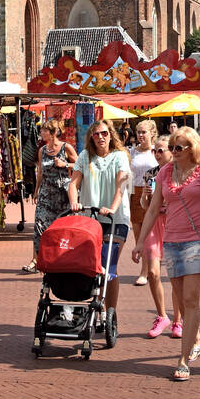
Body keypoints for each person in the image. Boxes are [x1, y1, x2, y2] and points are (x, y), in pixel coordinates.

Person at [133, 126, 200, 381]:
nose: (173, 152)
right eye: (171, 147)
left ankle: (183, 360)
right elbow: (152, 210)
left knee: (191, 299)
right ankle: (196, 338)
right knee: (182, 300)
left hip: (197, 239)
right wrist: (140, 242)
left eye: (178, 148)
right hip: (171, 241)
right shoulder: (165, 172)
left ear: (192, 148)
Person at [68, 119, 131, 320]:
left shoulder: (120, 156)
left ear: (111, 134)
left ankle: (109, 313)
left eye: (104, 133)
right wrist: (73, 202)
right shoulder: (85, 157)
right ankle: (98, 308)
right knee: (92, 265)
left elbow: (121, 186)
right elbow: (73, 184)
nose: (101, 137)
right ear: (91, 137)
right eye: (96, 134)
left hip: (116, 219)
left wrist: (112, 208)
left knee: (108, 266)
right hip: (91, 219)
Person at [137, 136, 183, 339]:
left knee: (175, 275)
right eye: (154, 151)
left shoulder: (179, 172)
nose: (157, 154)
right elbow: (145, 205)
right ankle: (162, 315)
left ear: (171, 151)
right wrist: (146, 196)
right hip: (155, 224)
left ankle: (178, 320)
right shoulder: (150, 174)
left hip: (173, 223)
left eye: (161, 150)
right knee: (154, 273)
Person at [22, 118, 77, 273]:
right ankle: (36, 261)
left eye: (44, 130)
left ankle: (63, 260)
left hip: (63, 194)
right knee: (39, 226)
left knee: (63, 228)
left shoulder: (66, 148)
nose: (41, 133)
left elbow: (80, 166)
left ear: (52, 133)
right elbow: (40, 171)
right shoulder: (42, 150)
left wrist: (65, 164)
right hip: (46, 193)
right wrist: (36, 190)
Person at [129, 119, 159, 287]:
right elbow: (128, 175)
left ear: (152, 133)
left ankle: (146, 271)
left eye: (144, 132)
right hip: (135, 193)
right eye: (138, 132)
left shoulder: (157, 151)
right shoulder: (132, 152)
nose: (140, 135)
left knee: (150, 235)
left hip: (153, 193)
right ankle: (146, 268)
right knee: (139, 235)